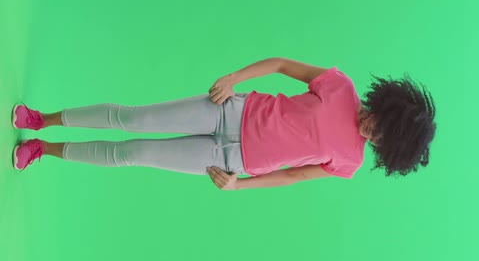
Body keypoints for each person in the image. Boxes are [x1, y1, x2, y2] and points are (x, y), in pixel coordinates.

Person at [11, 57, 436, 190]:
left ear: (386, 148)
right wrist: (234, 79)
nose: (369, 130)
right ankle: (42, 120)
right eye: (377, 121)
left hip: (228, 158)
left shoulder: (350, 161)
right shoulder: (340, 87)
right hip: (227, 109)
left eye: (378, 137)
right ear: (386, 105)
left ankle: (42, 151)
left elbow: (292, 175)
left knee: (132, 154)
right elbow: (284, 65)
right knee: (131, 118)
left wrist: (239, 185)